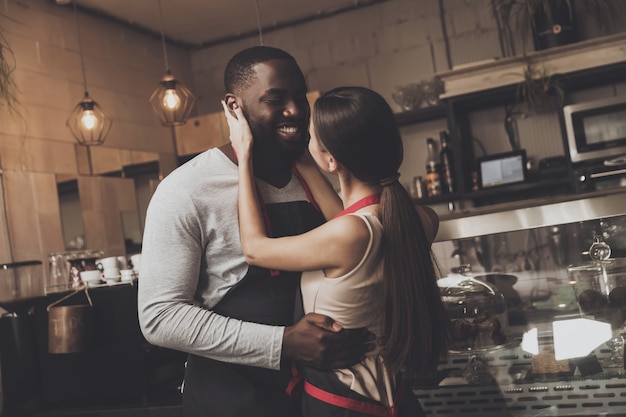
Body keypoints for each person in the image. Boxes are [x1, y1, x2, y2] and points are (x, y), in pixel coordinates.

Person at [138, 47, 373, 417]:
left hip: (321, 394)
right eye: (275, 100)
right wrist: (284, 343)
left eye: (300, 96)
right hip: (232, 398)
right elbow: (160, 317)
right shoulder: (186, 189)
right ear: (235, 107)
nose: (295, 111)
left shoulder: (315, 177)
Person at [224, 86, 451, 416]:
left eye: (311, 138)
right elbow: (349, 220)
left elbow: (256, 250)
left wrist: (243, 154)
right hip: (397, 400)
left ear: (332, 160)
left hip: (344, 405)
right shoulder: (421, 220)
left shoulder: (351, 234)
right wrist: (303, 159)